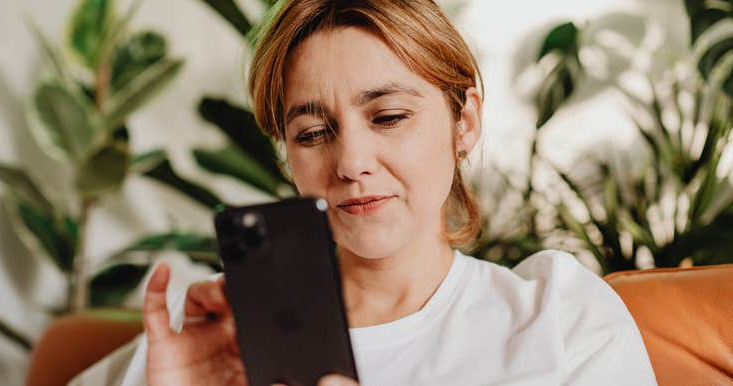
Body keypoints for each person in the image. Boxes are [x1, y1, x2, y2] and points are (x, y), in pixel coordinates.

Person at [69, 0, 657, 385]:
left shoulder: (559, 318)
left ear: (465, 120)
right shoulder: (207, 330)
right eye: (313, 132)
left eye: (389, 116)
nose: (350, 163)